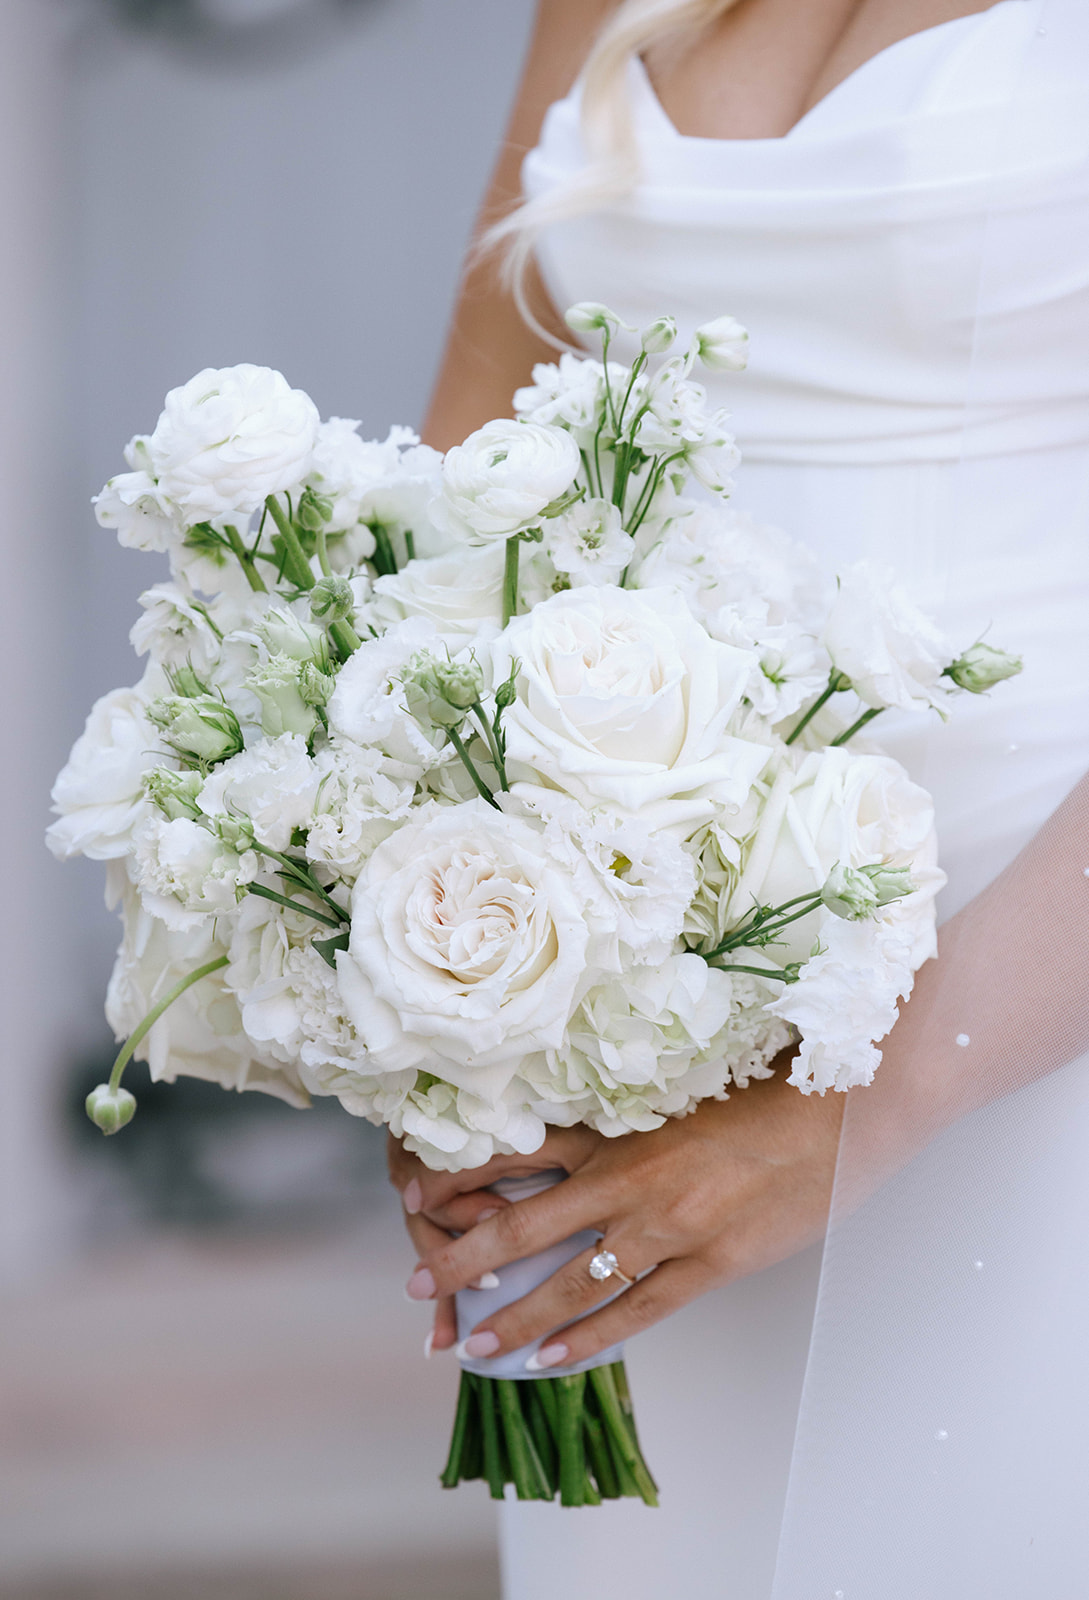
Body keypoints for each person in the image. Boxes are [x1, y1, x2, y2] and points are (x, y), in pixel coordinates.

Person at [389, 2, 1089, 1593]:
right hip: (637, 1047)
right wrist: (426, 977)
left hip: (1042, 1013)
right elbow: (468, 461)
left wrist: (859, 1111)